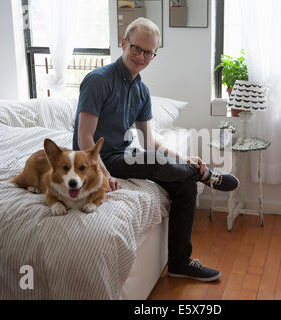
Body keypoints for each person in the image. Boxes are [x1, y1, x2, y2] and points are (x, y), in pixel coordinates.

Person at [73, 17, 239, 282]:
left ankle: (179, 263)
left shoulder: (142, 91)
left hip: (126, 154)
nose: (141, 56)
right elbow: (84, 138)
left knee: (184, 184)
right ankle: (206, 176)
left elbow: (150, 141)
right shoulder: (97, 81)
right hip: (98, 159)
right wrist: (104, 174)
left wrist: (186, 158)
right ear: (123, 43)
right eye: (136, 48)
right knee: (160, 163)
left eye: (148, 52)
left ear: (154, 54)